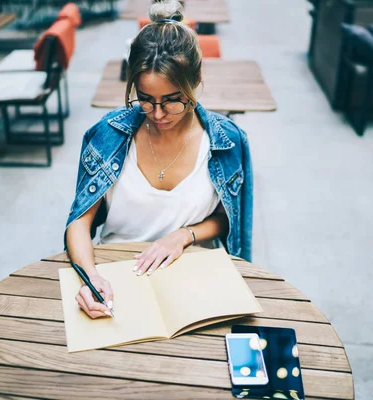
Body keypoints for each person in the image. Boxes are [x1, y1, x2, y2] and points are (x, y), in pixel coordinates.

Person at [65, 0, 253, 319]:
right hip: (116, 275)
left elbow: (228, 221)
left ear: (194, 82)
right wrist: (91, 277)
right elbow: (79, 222)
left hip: (195, 277)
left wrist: (183, 235)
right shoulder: (106, 136)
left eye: (172, 101)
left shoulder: (227, 143)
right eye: (146, 100)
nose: (158, 114)